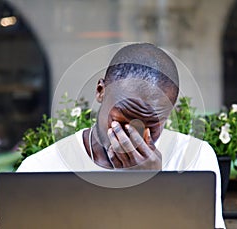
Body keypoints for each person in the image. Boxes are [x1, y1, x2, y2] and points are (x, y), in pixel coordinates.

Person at [14, 43, 225, 228]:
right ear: (100, 91)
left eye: (152, 125)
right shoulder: (41, 168)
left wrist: (155, 186)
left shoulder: (193, 159)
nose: (134, 133)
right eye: (123, 118)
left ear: (171, 112)